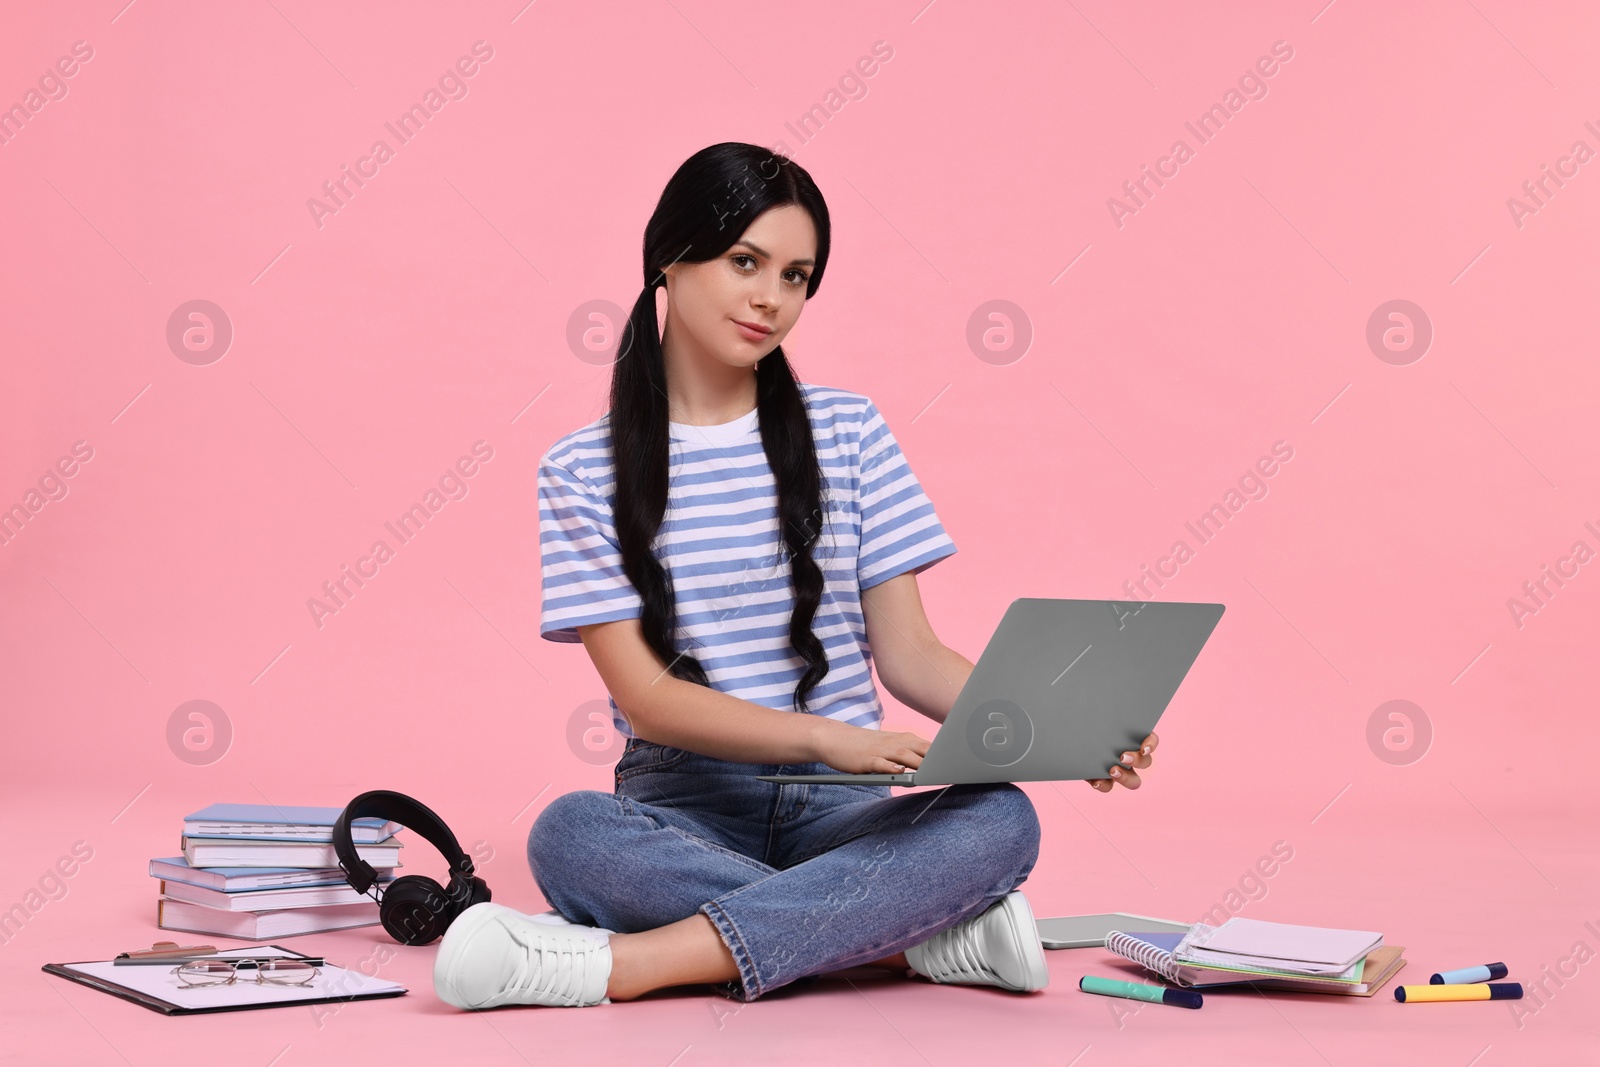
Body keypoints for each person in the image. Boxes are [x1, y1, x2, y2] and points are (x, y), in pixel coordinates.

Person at [432, 142, 1157, 1010]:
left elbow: (913, 655)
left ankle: (622, 965)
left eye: (797, 275)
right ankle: (909, 938)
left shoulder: (848, 433)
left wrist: (1062, 728)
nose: (771, 298)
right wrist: (825, 738)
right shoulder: (582, 470)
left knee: (1000, 818)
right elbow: (650, 697)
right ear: (670, 256)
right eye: (746, 261)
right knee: (571, 836)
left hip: (843, 809)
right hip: (683, 798)